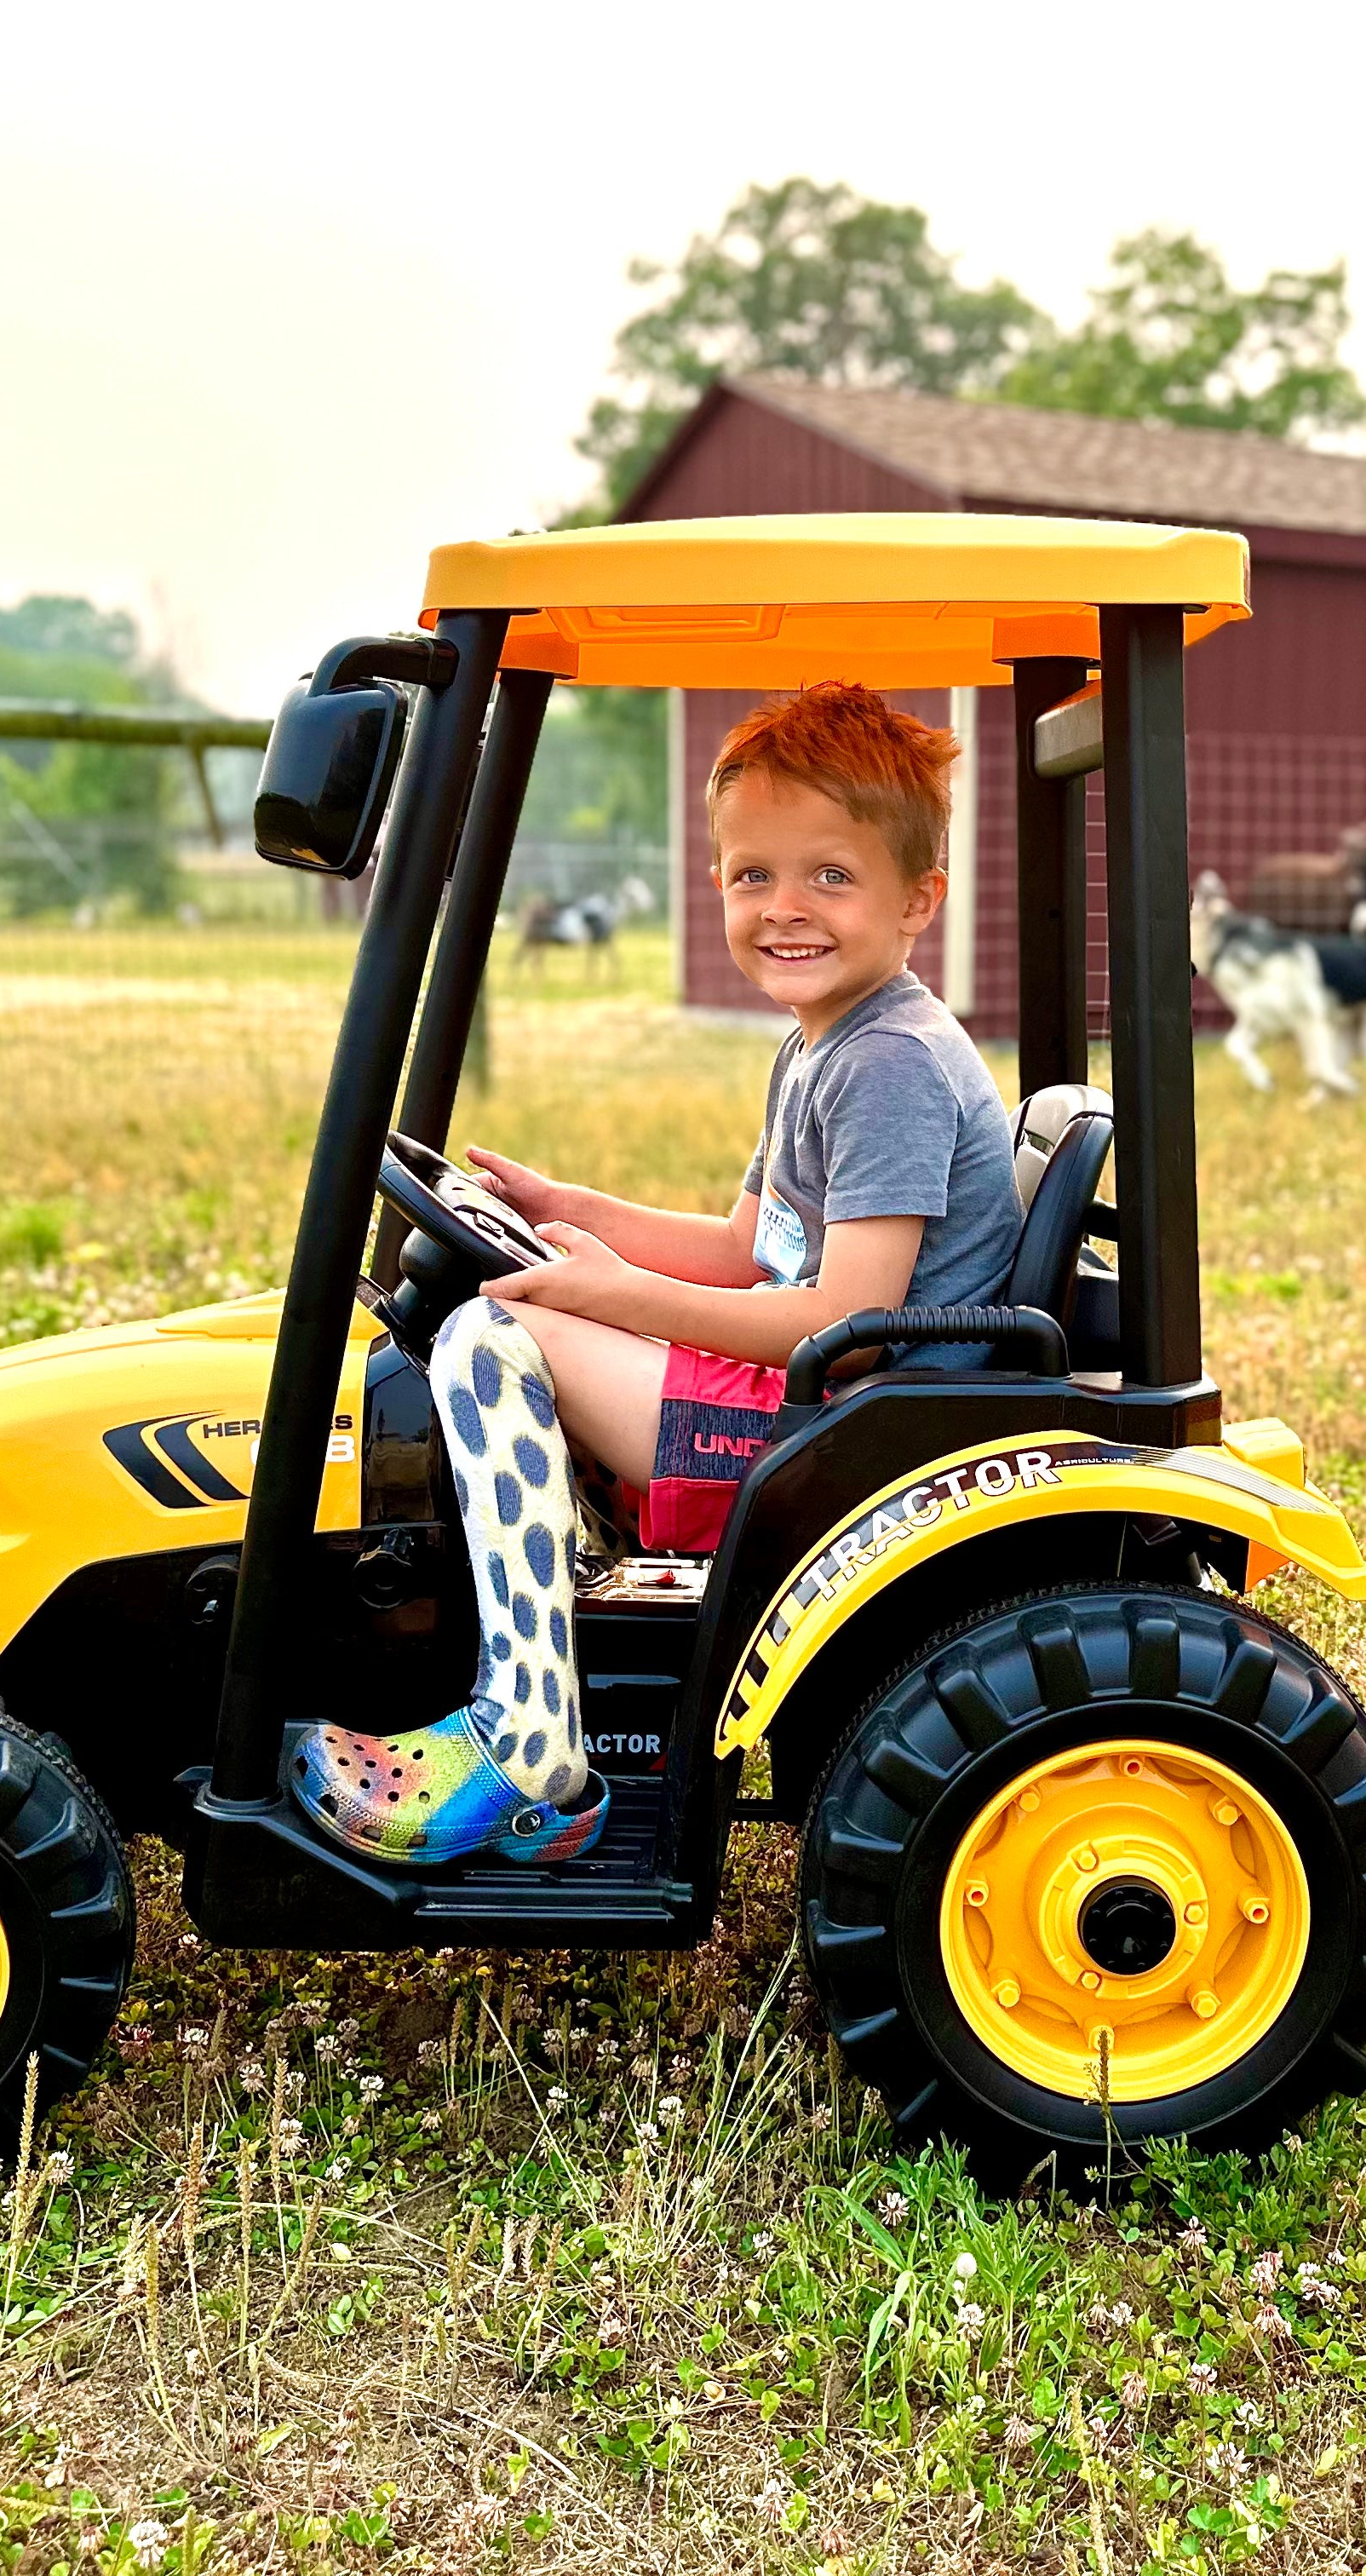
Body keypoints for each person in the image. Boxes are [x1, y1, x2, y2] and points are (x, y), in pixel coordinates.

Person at [294, 683, 1022, 1866]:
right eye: (752, 877)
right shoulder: (829, 1043)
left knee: (492, 1338)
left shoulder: (886, 1062)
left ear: (917, 900)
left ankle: (529, 1730)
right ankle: (558, 1612)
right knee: (528, 1309)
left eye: (829, 877)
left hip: (847, 1439)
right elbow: (749, 1253)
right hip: (820, 1403)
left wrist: (610, 1297)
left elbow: (852, 1321)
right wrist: (569, 1215)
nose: (784, 909)